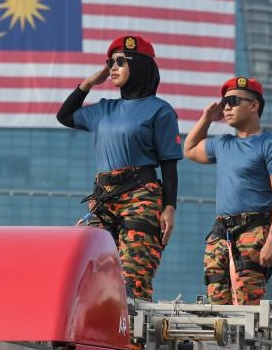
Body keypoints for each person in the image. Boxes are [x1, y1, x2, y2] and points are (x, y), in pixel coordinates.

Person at [56, 35, 181, 301]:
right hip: (104, 198)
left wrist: (169, 207)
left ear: (139, 66)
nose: (112, 68)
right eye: (109, 62)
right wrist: (89, 82)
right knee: (92, 273)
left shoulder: (160, 111)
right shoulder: (103, 109)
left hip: (141, 197)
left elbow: (169, 164)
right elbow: (64, 115)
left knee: (134, 277)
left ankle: (134, 342)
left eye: (120, 62)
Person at [183, 77, 272, 305]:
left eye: (233, 101)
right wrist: (206, 118)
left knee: (247, 303)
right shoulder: (223, 143)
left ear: (254, 106)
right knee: (217, 302)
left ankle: (249, 342)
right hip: (221, 232)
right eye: (224, 102)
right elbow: (190, 149)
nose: (226, 107)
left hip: (253, 231)